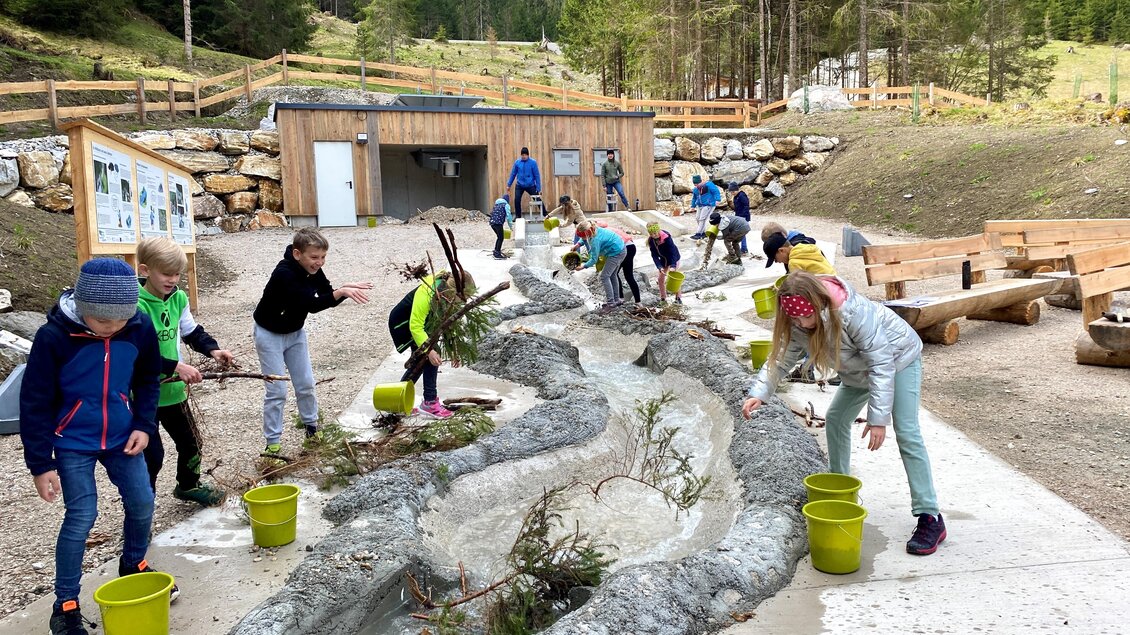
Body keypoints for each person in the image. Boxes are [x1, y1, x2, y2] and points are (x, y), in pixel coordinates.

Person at [742, 272, 946, 556]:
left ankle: (930, 516)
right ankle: (839, 490)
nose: (800, 325)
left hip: (897, 360)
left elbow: (881, 363)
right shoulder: (798, 318)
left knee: (907, 431)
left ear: (819, 304)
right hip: (858, 371)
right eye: (795, 320)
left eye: (804, 318)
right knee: (837, 419)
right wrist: (759, 393)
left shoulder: (853, 311)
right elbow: (781, 358)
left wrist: (878, 420)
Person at [21, 258, 174, 635]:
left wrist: (143, 425)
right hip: (73, 441)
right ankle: (66, 604)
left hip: (123, 436)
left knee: (142, 501)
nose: (111, 330)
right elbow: (35, 401)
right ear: (84, 308)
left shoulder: (137, 326)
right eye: (103, 322)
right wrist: (40, 464)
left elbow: (148, 380)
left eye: (118, 322)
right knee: (81, 517)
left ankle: (134, 562)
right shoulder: (53, 336)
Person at [253, 228, 372, 455]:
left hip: (295, 333)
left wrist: (343, 291)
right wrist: (341, 292)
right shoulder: (284, 273)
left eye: (323, 257)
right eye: (315, 257)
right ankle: (272, 444)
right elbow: (312, 305)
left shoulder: (313, 270)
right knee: (276, 389)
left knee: (306, 383)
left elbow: (327, 294)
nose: (319, 263)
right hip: (269, 334)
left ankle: (311, 429)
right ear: (298, 254)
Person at [136, 237, 233, 506]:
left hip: (173, 390)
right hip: (143, 394)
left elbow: (191, 331)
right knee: (151, 455)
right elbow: (138, 353)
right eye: (166, 273)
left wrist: (213, 350)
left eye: (177, 273)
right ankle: (142, 507)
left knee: (191, 442)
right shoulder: (137, 305)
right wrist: (175, 366)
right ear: (145, 271)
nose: (173, 279)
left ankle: (188, 485)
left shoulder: (178, 298)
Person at [388, 270, 477, 419]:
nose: (462, 302)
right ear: (451, 292)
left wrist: (454, 348)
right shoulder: (428, 293)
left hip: (423, 324)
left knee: (421, 361)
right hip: (403, 323)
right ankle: (429, 402)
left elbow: (447, 323)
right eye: (460, 298)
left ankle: (397, 401)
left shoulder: (446, 294)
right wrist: (429, 350)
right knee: (429, 356)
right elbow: (415, 326)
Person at [573, 220, 627, 312]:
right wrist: (578, 244)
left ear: (587, 232)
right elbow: (584, 238)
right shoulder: (593, 228)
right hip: (620, 249)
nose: (582, 238)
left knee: (604, 276)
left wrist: (582, 267)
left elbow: (594, 259)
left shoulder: (596, 240)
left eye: (583, 236)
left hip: (616, 253)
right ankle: (616, 300)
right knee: (612, 275)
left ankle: (611, 303)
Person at [763, 231, 835, 274]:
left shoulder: (794, 263)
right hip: (835, 282)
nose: (777, 262)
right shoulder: (806, 247)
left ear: (781, 250)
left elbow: (798, 287)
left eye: (775, 259)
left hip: (824, 291)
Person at [646, 223, 683, 304]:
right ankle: (663, 298)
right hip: (664, 260)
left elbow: (672, 252)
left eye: (655, 233)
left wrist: (673, 265)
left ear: (658, 231)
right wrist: (659, 266)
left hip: (674, 258)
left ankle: (678, 298)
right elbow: (654, 255)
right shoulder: (651, 241)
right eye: (651, 234)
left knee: (674, 278)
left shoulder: (667, 238)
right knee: (660, 279)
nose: (653, 235)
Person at [506, 147, 541, 219]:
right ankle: (518, 216)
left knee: (537, 199)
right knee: (517, 200)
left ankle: (545, 214)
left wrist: (538, 187)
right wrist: (509, 184)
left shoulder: (533, 162)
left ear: (528, 155)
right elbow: (513, 174)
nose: (524, 156)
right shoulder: (517, 162)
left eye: (525, 155)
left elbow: (537, 175)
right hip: (520, 185)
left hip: (530, 185)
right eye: (522, 155)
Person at [690, 175, 722, 240]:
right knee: (697, 218)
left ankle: (698, 233)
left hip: (709, 204)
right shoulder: (696, 189)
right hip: (700, 205)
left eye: (697, 184)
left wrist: (717, 199)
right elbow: (694, 198)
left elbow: (716, 191)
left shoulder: (709, 185)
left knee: (702, 219)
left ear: (700, 182)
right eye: (695, 185)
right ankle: (703, 232)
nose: (696, 186)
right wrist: (693, 206)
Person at [489, 193, 514, 260]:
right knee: (500, 238)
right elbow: (509, 216)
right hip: (498, 223)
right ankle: (497, 253)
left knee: (499, 237)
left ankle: (496, 251)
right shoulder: (506, 205)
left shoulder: (497, 205)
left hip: (492, 223)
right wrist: (511, 226)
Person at [728, 182, 751, 254]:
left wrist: (743, 216)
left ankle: (744, 249)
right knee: (740, 233)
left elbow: (746, 206)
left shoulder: (741, 195)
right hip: (738, 216)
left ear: (737, 189)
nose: (732, 193)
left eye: (733, 191)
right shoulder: (736, 196)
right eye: (731, 192)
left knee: (742, 233)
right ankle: (743, 248)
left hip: (743, 217)